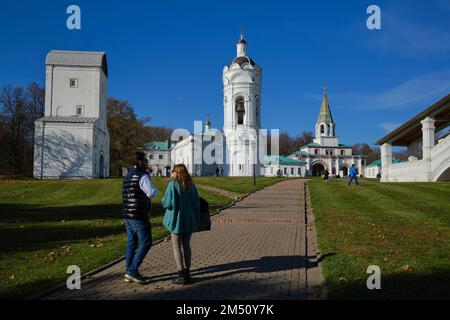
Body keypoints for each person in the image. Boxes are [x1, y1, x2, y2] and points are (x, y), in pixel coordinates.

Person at [122, 151, 158, 284]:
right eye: (145, 161)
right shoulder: (142, 175)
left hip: (127, 214)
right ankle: (132, 271)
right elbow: (150, 192)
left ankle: (128, 271)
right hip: (138, 214)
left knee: (132, 242)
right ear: (139, 161)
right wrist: (156, 190)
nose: (147, 163)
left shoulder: (128, 175)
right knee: (146, 242)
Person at [162, 164, 200, 285]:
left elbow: (167, 203)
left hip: (176, 220)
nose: (171, 173)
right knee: (187, 245)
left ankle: (181, 273)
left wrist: (164, 200)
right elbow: (196, 202)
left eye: (173, 171)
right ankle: (188, 272)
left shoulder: (173, 185)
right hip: (189, 220)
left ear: (176, 172)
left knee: (176, 245)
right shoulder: (191, 186)